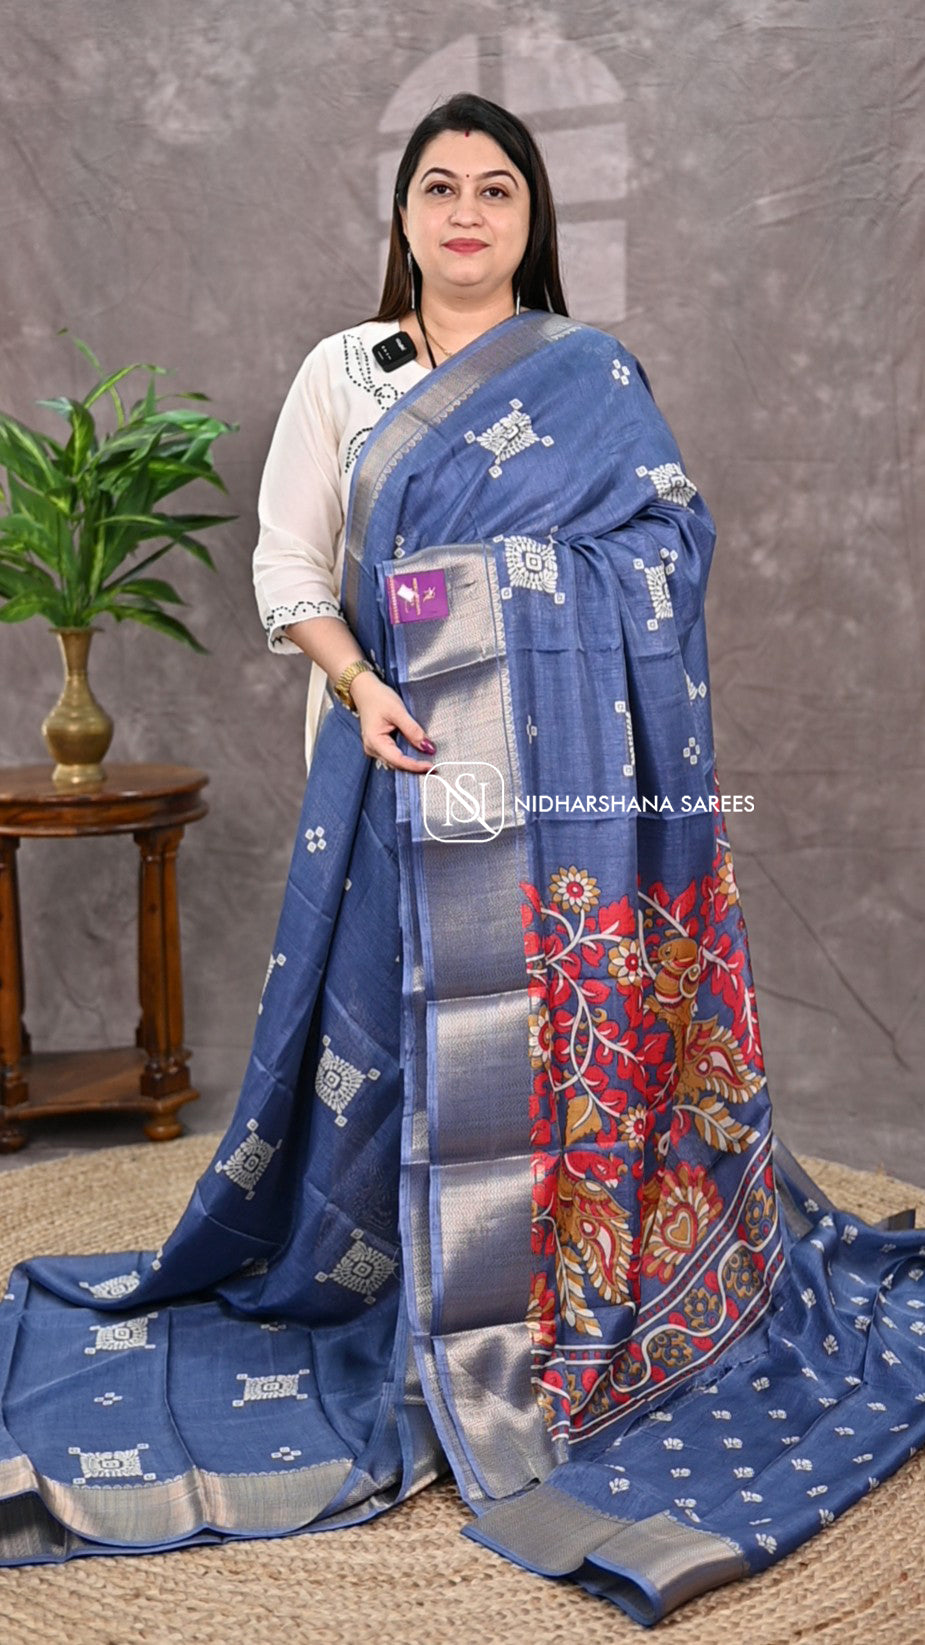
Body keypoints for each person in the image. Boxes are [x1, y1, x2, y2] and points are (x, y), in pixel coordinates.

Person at [0, 91, 922, 1629]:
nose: (467, 213)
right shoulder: (343, 373)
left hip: (559, 795)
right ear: (404, 214)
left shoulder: (588, 375)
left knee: (548, 1038)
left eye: (497, 188)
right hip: (386, 764)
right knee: (398, 1047)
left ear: (530, 216)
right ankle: (391, 1277)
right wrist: (364, 686)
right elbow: (288, 567)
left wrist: (509, 595)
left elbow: (666, 551)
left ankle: (549, 1277)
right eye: (440, 186)